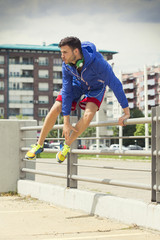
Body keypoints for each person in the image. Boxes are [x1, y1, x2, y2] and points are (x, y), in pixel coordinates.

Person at [25, 36, 130, 163]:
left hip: (95, 88)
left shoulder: (99, 64)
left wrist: (126, 111)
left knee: (88, 115)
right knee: (56, 107)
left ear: (75, 51)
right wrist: (66, 121)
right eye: (61, 52)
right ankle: (39, 145)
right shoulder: (66, 65)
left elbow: (116, 85)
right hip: (77, 84)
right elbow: (67, 90)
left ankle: (66, 145)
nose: (62, 56)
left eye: (65, 52)